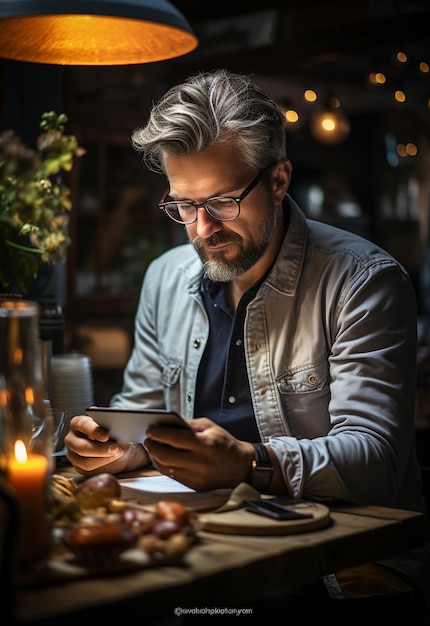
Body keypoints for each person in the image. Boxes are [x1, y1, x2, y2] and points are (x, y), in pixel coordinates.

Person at [64, 69, 429, 623]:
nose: (201, 229)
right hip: (207, 539)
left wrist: (250, 465)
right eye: (183, 205)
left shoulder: (363, 281)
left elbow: (375, 461)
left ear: (279, 180)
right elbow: (142, 422)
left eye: (224, 201)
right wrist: (117, 446)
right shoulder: (165, 279)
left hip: (335, 566)